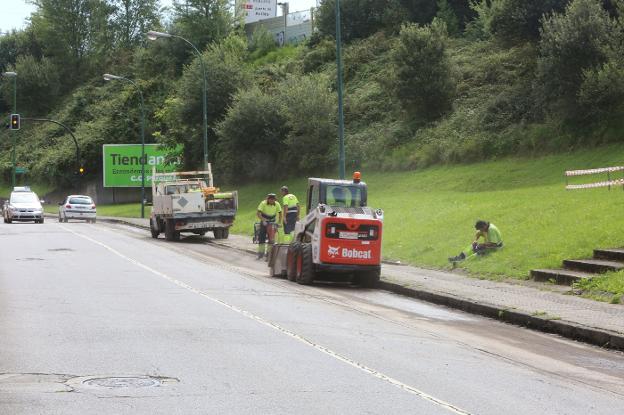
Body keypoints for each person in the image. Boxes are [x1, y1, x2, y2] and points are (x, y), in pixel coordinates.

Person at [256, 193, 283, 259]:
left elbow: (280, 213)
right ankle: (260, 254)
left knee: (271, 239)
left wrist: (279, 222)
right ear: (267, 199)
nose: (271, 201)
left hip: (272, 222)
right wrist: (263, 220)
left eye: (273, 200)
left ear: (275, 200)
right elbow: (258, 213)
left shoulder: (277, 204)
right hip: (264, 222)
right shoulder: (263, 203)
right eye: (270, 199)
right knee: (261, 238)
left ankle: (269, 254)